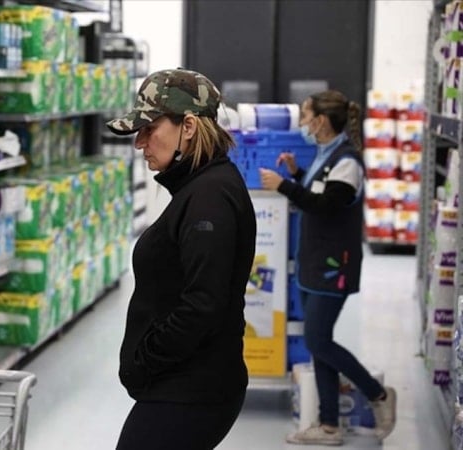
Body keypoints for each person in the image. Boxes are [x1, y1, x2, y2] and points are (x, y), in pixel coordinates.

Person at [106, 69, 256, 449]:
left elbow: (202, 305)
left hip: (191, 391)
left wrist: (144, 361)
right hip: (187, 386)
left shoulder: (209, 198)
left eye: (149, 129)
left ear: (187, 127)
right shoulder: (200, 188)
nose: (139, 143)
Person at [258, 90, 397, 445]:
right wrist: (297, 172)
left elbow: (327, 206)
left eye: (306, 117)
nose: (303, 124)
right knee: (318, 344)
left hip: (334, 266)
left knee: (318, 340)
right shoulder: (327, 155)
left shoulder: (348, 161)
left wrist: (284, 185)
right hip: (314, 262)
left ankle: (378, 394)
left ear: (321, 121)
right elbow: (324, 190)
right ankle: (329, 426)